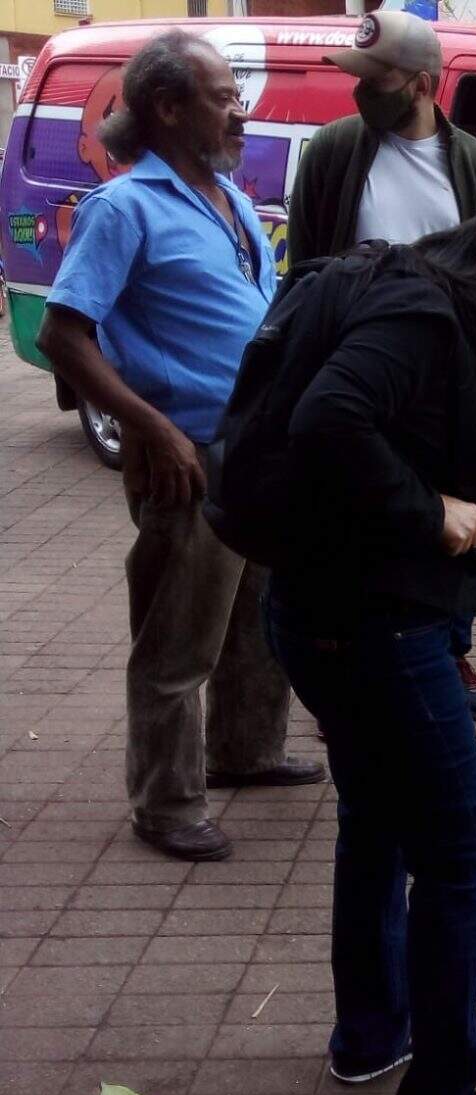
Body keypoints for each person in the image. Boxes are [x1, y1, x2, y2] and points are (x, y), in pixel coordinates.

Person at [262, 211, 476, 1095]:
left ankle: (372, 1032)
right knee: (460, 850)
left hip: (321, 608)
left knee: (379, 819)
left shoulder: (379, 286)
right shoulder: (424, 320)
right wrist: (427, 509)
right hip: (375, 626)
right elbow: (327, 422)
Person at [36, 30, 323, 864]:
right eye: (226, 97)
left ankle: (247, 750)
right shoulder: (123, 207)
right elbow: (64, 332)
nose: (243, 112)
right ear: (167, 108)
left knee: (257, 617)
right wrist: (149, 425)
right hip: (187, 451)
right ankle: (165, 803)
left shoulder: (228, 200)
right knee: (178, 639)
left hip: (255, 449)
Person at [286, 10, 476, 722]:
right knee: (369, 507)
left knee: (458, 513)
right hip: (363, 368)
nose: (359, 91)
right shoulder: (332, 151)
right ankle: (366, 658)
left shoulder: (475, 163)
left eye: (373, 78)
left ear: (421, 83)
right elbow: (305, 268)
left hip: (452, 378)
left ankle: (451, 648)